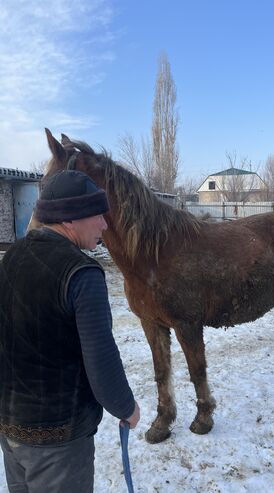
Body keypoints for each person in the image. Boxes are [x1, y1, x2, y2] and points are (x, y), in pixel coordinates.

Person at [0, 170, 140, 493]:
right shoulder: (82, 273)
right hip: (58, 443)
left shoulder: (11, 259)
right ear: (70, 219)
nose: (105, 224)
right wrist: (127, 408)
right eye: (97, 215)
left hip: (10, 433)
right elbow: (101, 361)